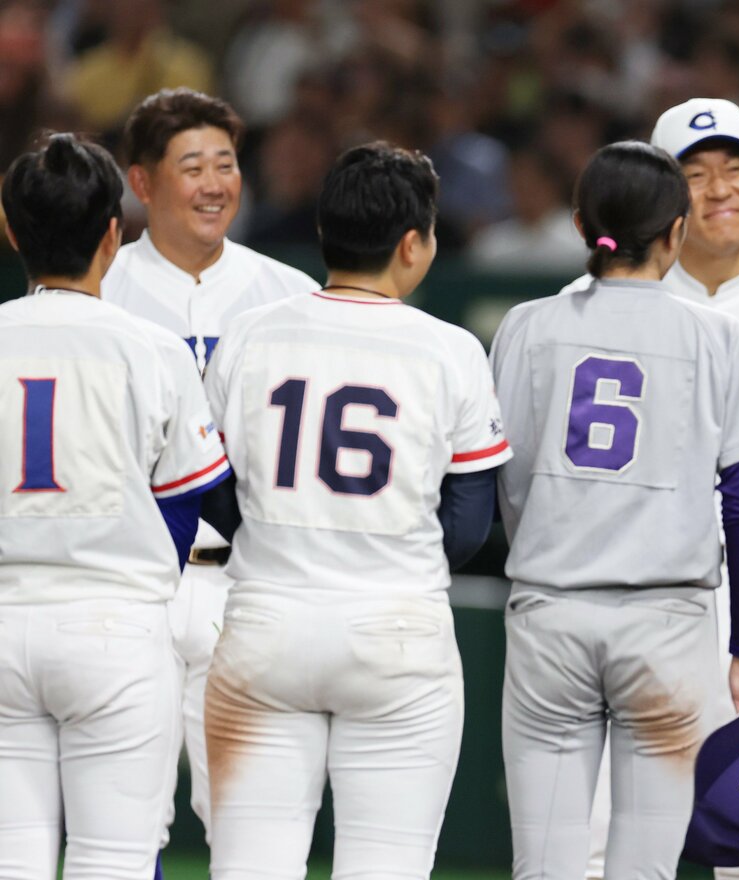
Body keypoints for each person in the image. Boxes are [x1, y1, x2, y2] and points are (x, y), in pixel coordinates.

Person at [200, 143, 509, 879]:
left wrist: (275, 537)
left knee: (249, 866)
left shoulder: (250, 330)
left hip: (265, 620)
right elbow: (468, 525)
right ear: (412, 243)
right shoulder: (450, 349)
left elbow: (209, 485)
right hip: (395, 630)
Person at [493, 140, 739, 880]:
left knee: (548, 867)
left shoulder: (526, 324)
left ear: (581, 222)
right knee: (645, 870)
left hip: (552, 612)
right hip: (667, 625)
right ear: (677, 231)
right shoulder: (715, 335)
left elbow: (509, 480)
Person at [563, 97, 739, 880]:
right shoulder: (615, 300)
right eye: (696, 174)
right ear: (664, 201)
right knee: (599, 827)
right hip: (623, 578)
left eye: (735, 168)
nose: (720, 188)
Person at [0, 133, 229, 877]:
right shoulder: (152, 348)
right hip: (114, 628)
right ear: (112, 231)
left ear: (10, 229)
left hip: (3, 619)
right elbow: (190, 500)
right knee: (115, 861)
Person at [102, 87, 318, 843]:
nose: (215, 184)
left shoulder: (291, 293)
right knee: (127, 817)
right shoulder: (102, 290)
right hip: (138, 580)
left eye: (226, 164)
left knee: (249, 818)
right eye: (192, 165)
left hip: (247, 580)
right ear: (142, 182)